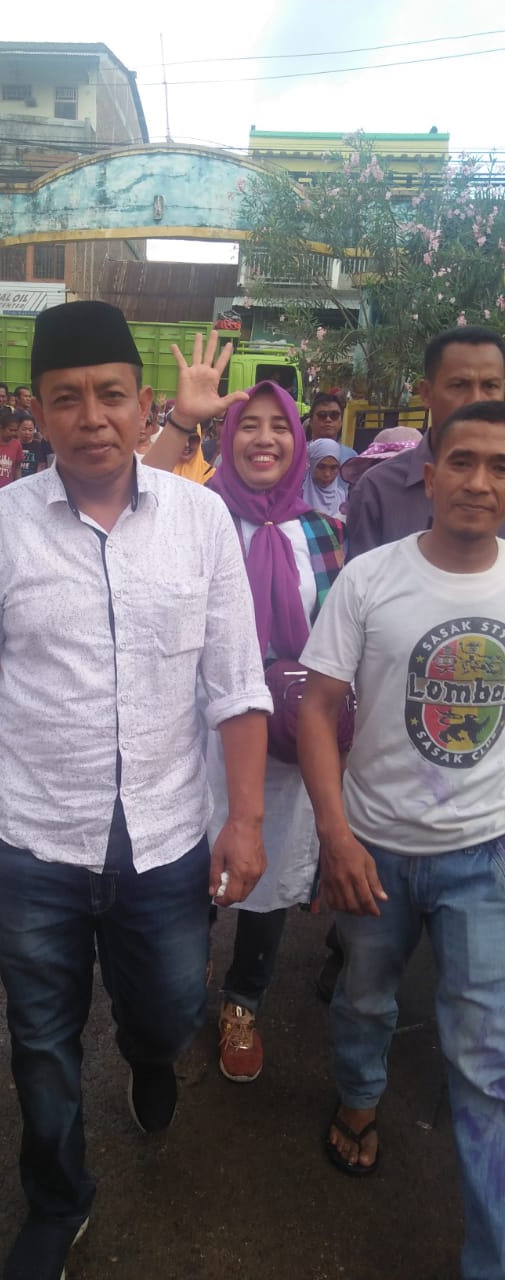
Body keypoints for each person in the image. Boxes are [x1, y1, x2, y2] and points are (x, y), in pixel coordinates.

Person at [0, 302, 271, 1280]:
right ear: (37, 412)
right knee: (41, 1036)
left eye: (110, 394)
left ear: (143, 402)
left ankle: (151, 1056)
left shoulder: (200, 521)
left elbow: (236, 685)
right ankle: (57, 1198)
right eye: (65, 398)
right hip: (37, 841)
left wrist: (244, 819)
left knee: (169, 1008)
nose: (91, 417)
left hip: (167, 838)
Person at [298, 399, 505, 1280]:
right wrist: (334, 837)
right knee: (364, 1002)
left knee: (485, 1062)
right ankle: (358, 1098)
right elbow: (315, 709)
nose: (479, 481)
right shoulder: (369, 578)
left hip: (482, 858)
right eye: (462, 461)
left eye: (499, 467)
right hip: (372, 848)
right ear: (428, 476)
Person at [147, 347, 344, 1084]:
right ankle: (185, 975)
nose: (264, 439)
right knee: (189, 862)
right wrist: (180, 420)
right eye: (248, 426)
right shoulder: (195, 516)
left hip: (286, 742)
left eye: (279, 427)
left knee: (270, 872)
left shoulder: (324, 534)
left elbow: (339, 651)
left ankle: (243, 1002)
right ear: (226, 441)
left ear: (299, 439)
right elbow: (132, 495)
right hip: (195, 733)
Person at [347, 326, 505, 559]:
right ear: (426, 393)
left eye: (490, 386)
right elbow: (363, 579)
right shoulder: (377, 489)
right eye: (459, 385)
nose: (475, 400)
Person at [302, 439, 348, 518]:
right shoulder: (297, 496)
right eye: (321, 467)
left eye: (333, 468)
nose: (327, 474)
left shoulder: (343, 499)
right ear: (311, 465)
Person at [305, 392, 357, 461]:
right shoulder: (297, 453)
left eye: (334, 415)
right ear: (311, 422)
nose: (328, 419)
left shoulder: (351, 457)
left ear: (341, 422)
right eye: (322, 415)